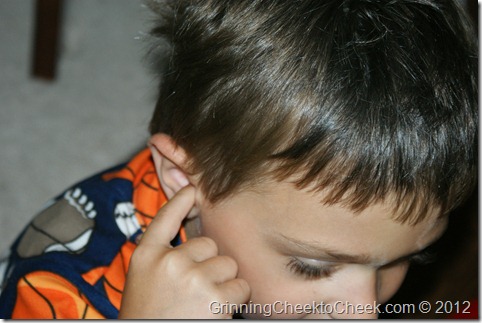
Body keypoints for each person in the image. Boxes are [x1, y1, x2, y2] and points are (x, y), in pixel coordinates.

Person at [0, 0, 477, 319]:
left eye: (406, 257)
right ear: (182, 181)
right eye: (312, 266)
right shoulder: (53, 287)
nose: (366, 309)